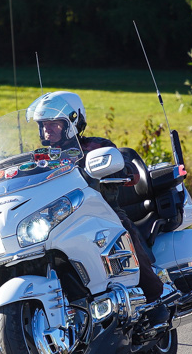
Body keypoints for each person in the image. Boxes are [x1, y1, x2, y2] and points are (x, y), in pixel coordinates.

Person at [26, 91, 168, 326]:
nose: (47, 131)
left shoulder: (96, 146)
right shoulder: (42, 157)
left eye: (54, 124)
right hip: (59, 218)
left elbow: (119, 169)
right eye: (43, 125)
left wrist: (111, 170)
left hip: (102, 211)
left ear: (73, 122)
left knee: (122, 234)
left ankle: (155, 297)